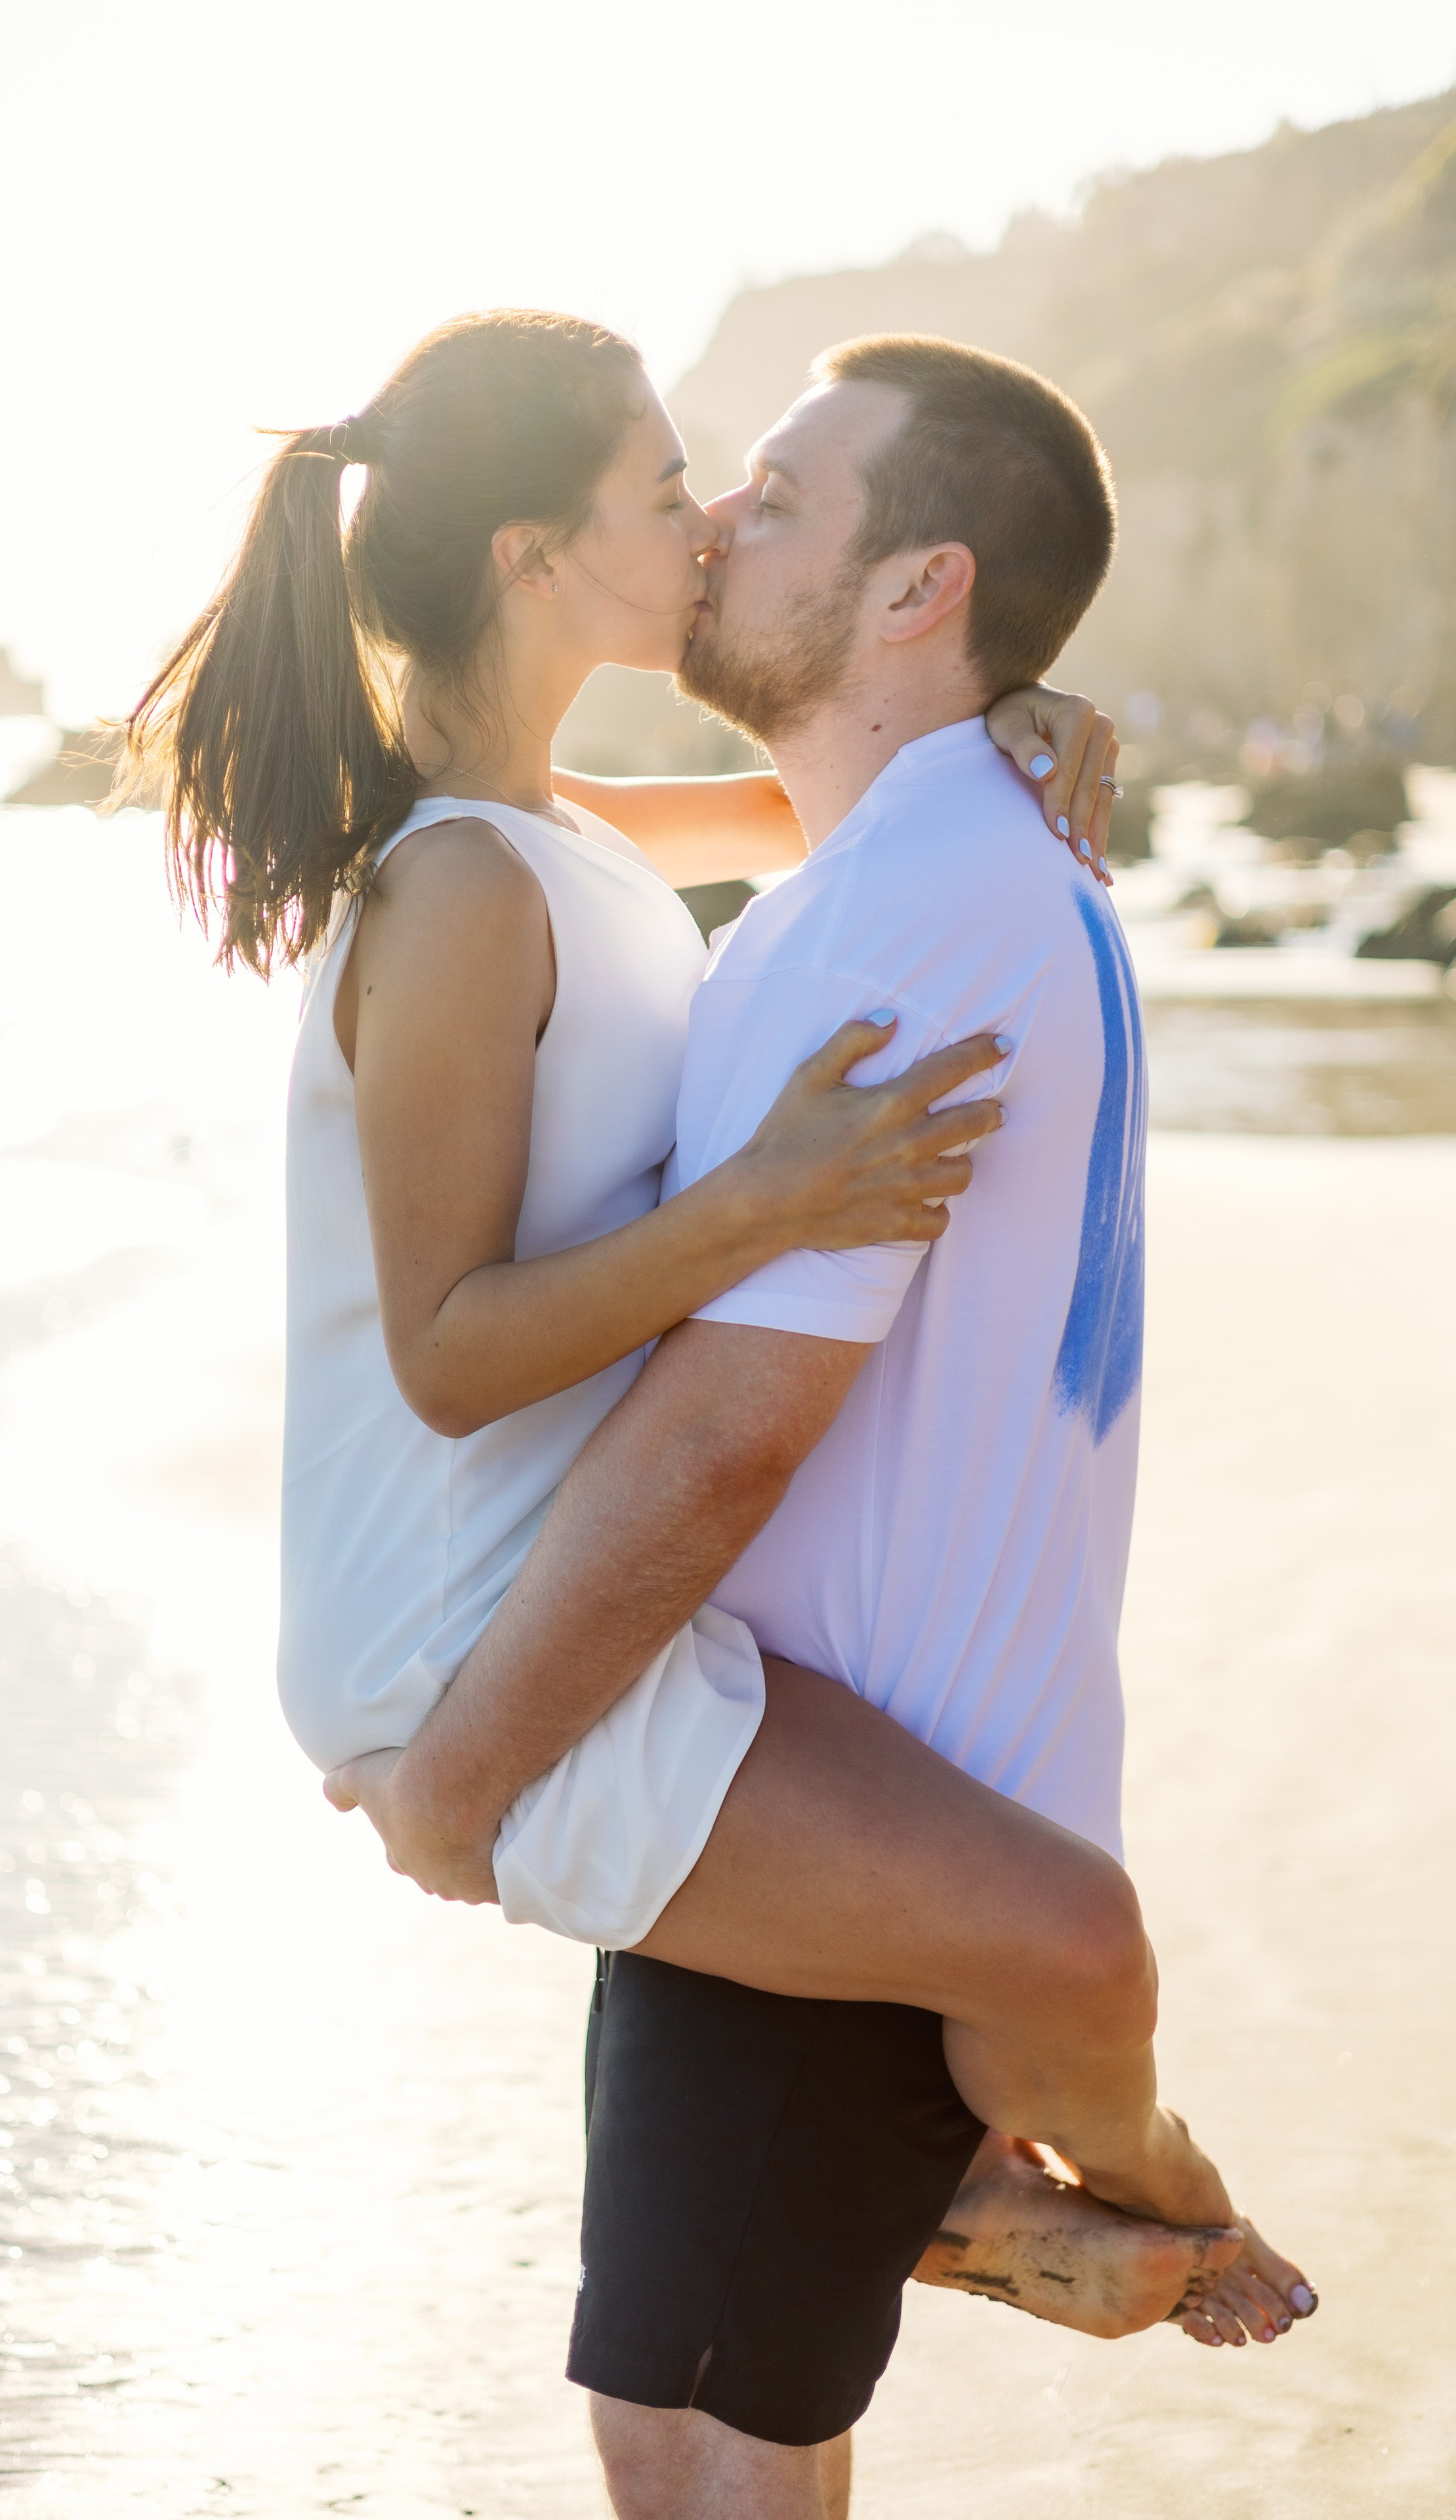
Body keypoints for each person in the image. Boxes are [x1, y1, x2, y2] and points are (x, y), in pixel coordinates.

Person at [327, 329, 1317, 2516]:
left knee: (708, 2435)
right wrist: (1009, 718)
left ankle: (1028, 2175)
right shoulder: (904, 859)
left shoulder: (895, 916)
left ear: (914, 587)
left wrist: (468, 1780)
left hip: (832, 1766)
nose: (711, 526)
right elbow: (561, 834)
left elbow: (725, 1439)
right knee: (680, 2399)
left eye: (771, 491)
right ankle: (976, 2188)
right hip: (790, 1738)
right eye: (688, 486)